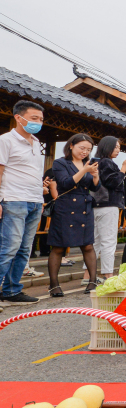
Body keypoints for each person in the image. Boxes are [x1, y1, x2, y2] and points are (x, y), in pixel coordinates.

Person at [0, 100, 46, 304]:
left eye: (41, 119)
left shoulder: (37, 142)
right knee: (8, 247)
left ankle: (11, 290)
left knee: (24, 249)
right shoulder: (5, 140)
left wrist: (41, 195)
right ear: (19, 117)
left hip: (35, 201)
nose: (38, 122)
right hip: (13, 199)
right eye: (34, 118)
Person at [47, 133, 101, 296]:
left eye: (88, 149)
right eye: (82, 148)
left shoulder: (89, 163)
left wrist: (96, 176)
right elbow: (64, 183)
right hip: (65, 206)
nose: (85, 152)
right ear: (71, 145)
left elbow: (95, 188)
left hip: (84, 205)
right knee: (58, 246)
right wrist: (85, 170)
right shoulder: (60, 163)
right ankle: (54, 284)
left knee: (88, 245)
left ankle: (92, 281)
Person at [84, 136, 126, 285]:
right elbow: (114, 182)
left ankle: (87, 275)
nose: (118, 150)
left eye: (119, 147)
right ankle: (108, 275)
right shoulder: (107, 162)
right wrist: (124, 168)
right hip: (108, 205)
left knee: (95, 242)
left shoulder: (94, 161)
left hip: (95, 205)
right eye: (116, 147)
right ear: (108, 147)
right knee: (109, 242)